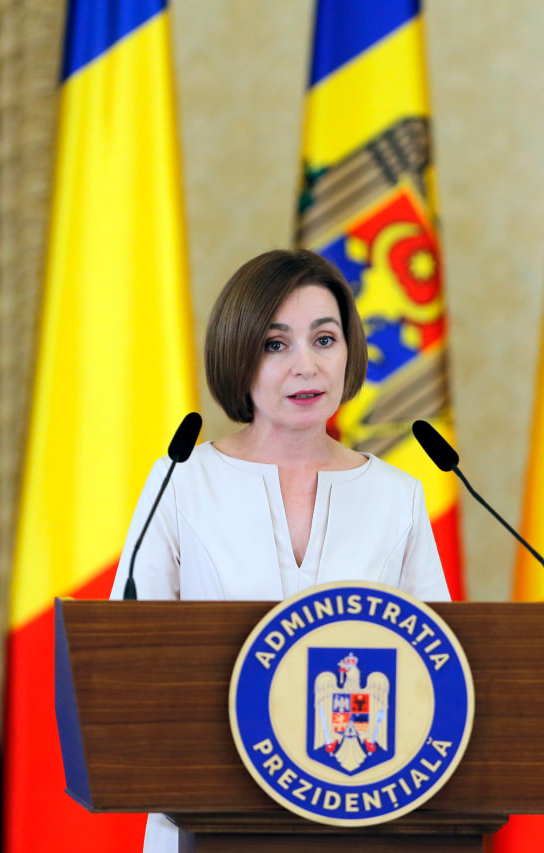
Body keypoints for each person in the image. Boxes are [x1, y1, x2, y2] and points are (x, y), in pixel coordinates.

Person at [110, 248, 451, 852]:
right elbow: (127, 660)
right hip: (205, 813)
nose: (306, 366)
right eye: (276, 344)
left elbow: (438, 668)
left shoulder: (396, 495)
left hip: (358, 815)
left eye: (324, 340)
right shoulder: (181, 480)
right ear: (238, 354)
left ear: (349, 352)